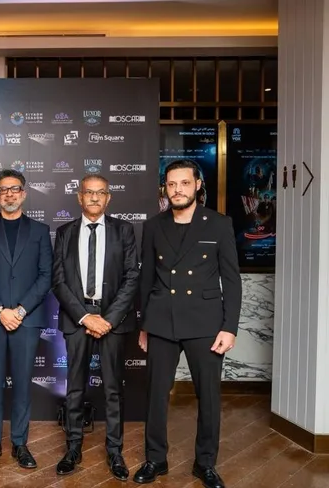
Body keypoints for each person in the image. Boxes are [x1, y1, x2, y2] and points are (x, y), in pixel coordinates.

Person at [134, 160, 241, 488]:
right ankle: (155, 459)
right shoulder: (154, 225)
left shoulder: (219, 224)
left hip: (205, 323)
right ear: (165, 188)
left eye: (183, 183)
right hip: (161, 322)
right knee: (155, 396)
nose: (177, 189)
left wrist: (230, 327)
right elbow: (146, 279)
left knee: (208, 397)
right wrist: (144, 325)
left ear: (197, 185)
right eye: (171, 184)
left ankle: (205, 463)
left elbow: (231, 280)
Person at [51, 175, 139, 480]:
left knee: (113, 390)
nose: (94, 198)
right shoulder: (64, 232)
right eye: (89, 192)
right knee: (75, 388)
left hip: (112, 319)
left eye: (100, 193)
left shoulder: (124, 230)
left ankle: (115, 452)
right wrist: (84, 317)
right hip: (78, 318)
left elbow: (131, 277)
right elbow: (58, 281)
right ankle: (72, 448)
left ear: (108, 198)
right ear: (80, 197)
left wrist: (108, 319)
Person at [0, 169, 52, 469]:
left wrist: (19, 311)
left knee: (22, 384)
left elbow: (46, 276)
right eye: (3, 189)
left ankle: (20, 444)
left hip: (26, 320)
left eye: (14, 188)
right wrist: (0, 310)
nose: (9, 194)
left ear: (24, 193)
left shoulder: (40, 231)